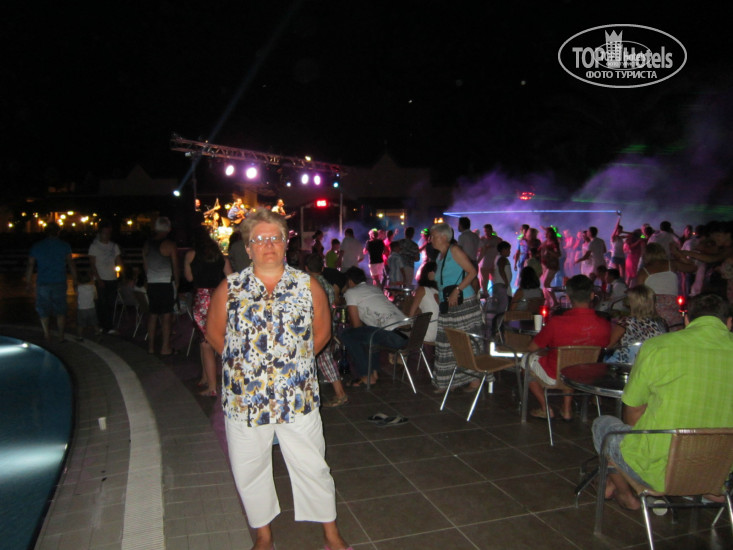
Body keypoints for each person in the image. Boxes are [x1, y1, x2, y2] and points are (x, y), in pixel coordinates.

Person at [206, 210, 351, 550]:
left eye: (275, 238)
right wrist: (246, 366)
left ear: (286, 244)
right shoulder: (231, 287)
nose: (268, 245)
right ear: (248, 247)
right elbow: (214, 334)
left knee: (312, 464)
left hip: (297, 394)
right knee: (249, 468)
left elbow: (322, 332)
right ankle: (263, 535)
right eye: (259, 239)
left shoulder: (307, 285)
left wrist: (293, 365)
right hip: (245, 397)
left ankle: (330, 533)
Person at [591, 293, 733, 511]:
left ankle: (628, 493)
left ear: (687, 320)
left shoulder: (658, 347)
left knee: (603, 426)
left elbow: (634, 411)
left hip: (660, 471)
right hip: (720, 471)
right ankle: (703, 488)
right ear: (729, 322)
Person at [524, 275, 611, 420]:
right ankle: (566, 408)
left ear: (569, 298)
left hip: (557, 375)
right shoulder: (604, 324)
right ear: (591, 295)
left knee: (526, 360)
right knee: (572, 362)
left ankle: (545, 408)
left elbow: (532, 347)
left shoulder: (557, 322)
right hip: (587, 376)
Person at [430, 222, 484, 392]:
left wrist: (457, 290)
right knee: (447, 343)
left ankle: (474, 380)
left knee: (466, 342)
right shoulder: (440, 256)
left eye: (433, 236)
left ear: (443, 237)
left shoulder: (454, 250)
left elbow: (472, 271)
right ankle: (447, 381)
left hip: (463, 302)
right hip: (448, 304)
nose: (431, 239)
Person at [338, 267, 408, 386]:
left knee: (347, 335)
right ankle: (374, 372)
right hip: (409, 334)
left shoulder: (351, 292)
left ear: (349, 281)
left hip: (394, 336)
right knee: (371, 333)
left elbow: (356, 325)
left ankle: (366, 374)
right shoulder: (374, 288)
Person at [184, 227, 232, 396]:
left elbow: (189, 278)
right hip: (218, 298)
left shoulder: (191, 255)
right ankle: (206, 377)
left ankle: (212, 387)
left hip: (202, 298)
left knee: (206, 342)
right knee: (205, 340)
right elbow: (232, 279)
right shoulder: (221, 258)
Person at [304, 253, 349, 408]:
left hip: (315, 328)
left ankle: (340, 394)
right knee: (323, 359)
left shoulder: (308, 285)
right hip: (327, 326)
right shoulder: (327, 285)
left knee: (325, 360)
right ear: (322, 268)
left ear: (306, 268)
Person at [25, 222, 78, 342]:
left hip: (43, 282)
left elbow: (30, 265)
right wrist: (75, 280)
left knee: (43, 309)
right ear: (58, 232)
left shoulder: (37, 246)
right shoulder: (64, 246)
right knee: (61, 310)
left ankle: (46, 333)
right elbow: (71, 263)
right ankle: (60, 335)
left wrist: (28, 282)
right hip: (59, 281)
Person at [636, 243, 695, 330]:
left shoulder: (643, 272)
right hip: (672, 304)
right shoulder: (672, 264)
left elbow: (639, 294)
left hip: (653, 306)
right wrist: (679, 255)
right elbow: (693, 267)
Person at [143, 216, 179, 356]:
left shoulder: (147, 245)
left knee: (152, 315)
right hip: (165, 284)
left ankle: (151, 347)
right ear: (168, 229)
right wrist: (177, 283)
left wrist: (149, 279)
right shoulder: (170, 245)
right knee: (166, 316)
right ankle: (165, 348)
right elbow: (175, 267)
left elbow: (145, 266)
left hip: (152, 283)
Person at [605, 285, 666, 365]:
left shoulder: (626, 322)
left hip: (625, 365)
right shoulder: (660, 322)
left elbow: (609, 345)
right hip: (651, 362)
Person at [88, 219, 122, 334]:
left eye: (108, 233)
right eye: (104, 233)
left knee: (111, 303)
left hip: (112, 278)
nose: (107, 235)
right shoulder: (94, 246)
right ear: (100, 233)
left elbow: (118, 260)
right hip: (101, 278)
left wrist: (122, 274)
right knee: (102, 303)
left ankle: (109, 325)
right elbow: (92, 264)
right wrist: (98, 278)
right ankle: (102, 325)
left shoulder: (113, 246)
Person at [408, 261, 440, 342]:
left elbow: (411, 315)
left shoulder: (422, 289)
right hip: (439, 334)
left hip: (426, 334)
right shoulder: (438, 291)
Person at [75, 271, 101, 341]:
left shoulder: (78, 288)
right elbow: (96, 297)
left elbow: (77, 297)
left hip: (82, 308)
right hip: (91, 308)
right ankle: (98, 333)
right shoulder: (93, 287)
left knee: (80, 324)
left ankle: (79, 336)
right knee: (95, 323)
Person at [539, 226, 561, 307]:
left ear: (550, 234)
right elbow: (539, 249)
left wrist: (549, 251)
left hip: (552, 265)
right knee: (544, 284)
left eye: (546, 233)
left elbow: (558, 254)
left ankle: (555, 301)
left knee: (546, 283)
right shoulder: (545, 242)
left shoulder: (554, 243)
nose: (544, 234)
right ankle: (547, 301)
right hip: (544, 264)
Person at [477, 224, 501, 294]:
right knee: (485, 280)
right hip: (485, 263)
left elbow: (502, 250)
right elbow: (477, 250)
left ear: (491, 230)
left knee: (495, 279)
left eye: (488, 231)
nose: (486, 233)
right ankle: (485, 293)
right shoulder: (482, 239)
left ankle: (495, 294)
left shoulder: (497, 240)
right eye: (485, 231)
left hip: (494, 263)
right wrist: (484, 248)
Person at [493, 241, 513, 314]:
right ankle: (501, 319)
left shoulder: (498, 258)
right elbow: (501, 270)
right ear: (503, 250)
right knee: (504, 305)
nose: (509, 252)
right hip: (502, 285)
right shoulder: (502, 259)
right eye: (508, 250)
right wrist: (506, 282)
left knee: (501, 305)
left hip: (500, 285)